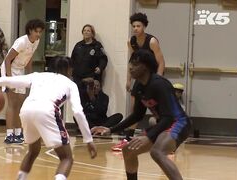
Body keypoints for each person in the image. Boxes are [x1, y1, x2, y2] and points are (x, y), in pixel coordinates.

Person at [0, 56, 97, 180]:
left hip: (26, 110)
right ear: (70, 70)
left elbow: (11, 80)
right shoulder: (71, 84)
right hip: (47, 111)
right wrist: (88, 139)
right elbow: (78, 112)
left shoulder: (38, 75)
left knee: (33, 151)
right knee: (66, 158)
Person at [92, 50, 191, 180]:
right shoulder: (138, 86)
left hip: (179, 123)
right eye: (130, 63)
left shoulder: (159, 84)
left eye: (135, 64)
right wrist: (111, 129)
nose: (131, 67)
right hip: (163, 124)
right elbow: (137, 115)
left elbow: (169, 118)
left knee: (157, 152)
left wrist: (149, 136)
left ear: (146, 67)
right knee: (128, 149)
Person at [115, 12, 166, 150]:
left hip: (154, 78)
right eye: (134, 26)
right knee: (135, 109)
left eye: (138, 26)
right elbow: (132, 63)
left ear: (144, 26)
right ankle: (127, 138)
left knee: (159, 112)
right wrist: (128, 79)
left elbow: (161, 62)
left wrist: (159, 80)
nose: (136, 28)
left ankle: (167, 140)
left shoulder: (152, 41)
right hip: (140, 79)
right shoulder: (131, 42)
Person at [0, 19, 45, 144]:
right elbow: (7, 60)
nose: (39, 34)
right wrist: (9, 79)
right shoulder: (21, 41)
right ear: (30, 30)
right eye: (37, 31)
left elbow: (29, 59)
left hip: (20, 71)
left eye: (40, 32)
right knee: (12, 103)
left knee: (21, 103)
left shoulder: (36, 42)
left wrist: (29, 77)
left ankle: (18, 133)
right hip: (9, 69)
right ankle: (9, 135)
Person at [71, 24, 108, 106]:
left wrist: (100, 68)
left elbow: (103, 59)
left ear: (92, 33)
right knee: (79, 102)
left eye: (88, 31)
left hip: (91, 78)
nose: (86, 32)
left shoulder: (97, 46)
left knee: (92, 101)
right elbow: (72, 60)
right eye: (84, 30)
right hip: (78, 79)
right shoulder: (78, 45)